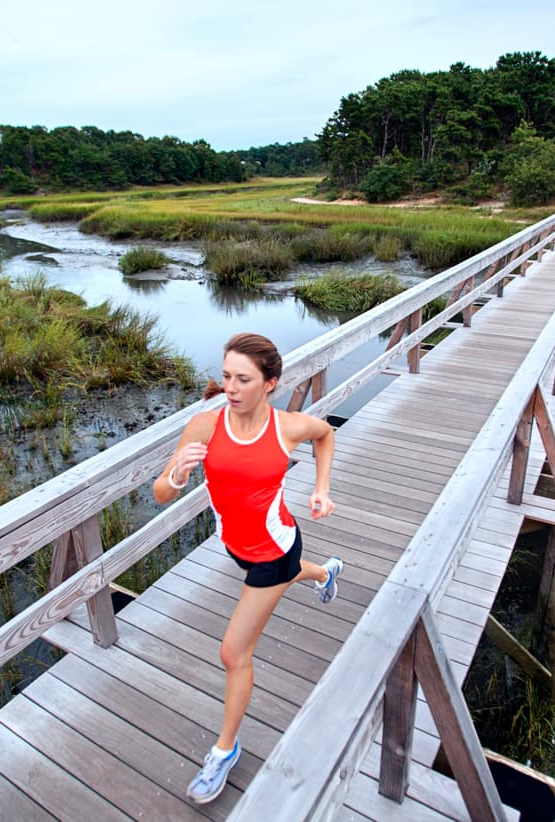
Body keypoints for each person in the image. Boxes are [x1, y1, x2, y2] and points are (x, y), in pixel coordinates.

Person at [153, 332, 343, 805]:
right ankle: (324, 574)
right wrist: (177, 476)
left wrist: (321, 488)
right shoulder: (204, 425)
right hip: (236, 546)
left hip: (274, 550)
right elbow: (160, 491)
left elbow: (326, 434)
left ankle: (225, 750)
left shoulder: (287, 427)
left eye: (243, 379)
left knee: (233, 653)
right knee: (291, 575)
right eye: (226, 377)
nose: (231, 388)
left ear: (270, 383)